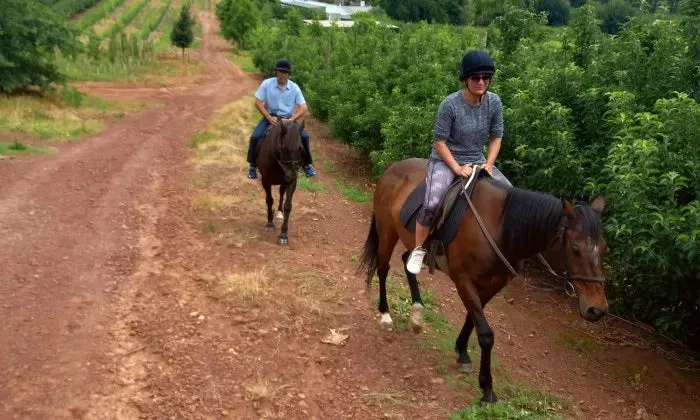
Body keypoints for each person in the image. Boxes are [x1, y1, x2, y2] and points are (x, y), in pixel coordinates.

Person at [405, 50, 513, 275]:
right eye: (475, 77)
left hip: (478, 160)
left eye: (486, 77)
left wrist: (489, 164)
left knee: (511, 197)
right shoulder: (450, 105)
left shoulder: (494, 102)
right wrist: (456, 168)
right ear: (465, 79)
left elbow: (497, 136)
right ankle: (418, 250)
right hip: (445, 161)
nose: (481, 82)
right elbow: (439, 141)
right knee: (432, 203)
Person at [246, 59, 316, 179]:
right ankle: (253, 166)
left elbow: (304, 108)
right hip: (271, 116)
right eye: (280, 71)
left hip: (288, 119)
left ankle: (306, 164)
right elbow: (258, 102)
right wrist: (268, 117)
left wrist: (292, 119)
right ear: (276, 72)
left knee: (304, 137)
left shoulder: (294, 88)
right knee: (256, 137)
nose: (282, 74)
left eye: (285, 72)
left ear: (289, 74)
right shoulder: (267, 84)